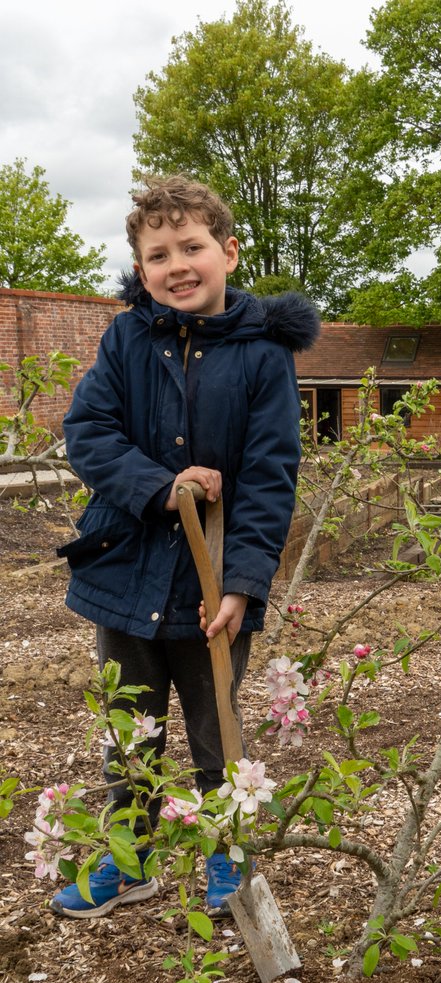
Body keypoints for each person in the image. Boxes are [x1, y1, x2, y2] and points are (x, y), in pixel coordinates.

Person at [51, 176, 318, 919]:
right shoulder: (126, 338)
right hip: (126, 570)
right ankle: (128, 861)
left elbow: (270, 475)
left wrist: (242, 584)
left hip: (214, 585)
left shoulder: (264, 356)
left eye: (192, 246)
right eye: (158, 253)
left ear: (228, 253)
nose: (177, 265)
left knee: (216, 731)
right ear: (142, 271)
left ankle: (228, 857)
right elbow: (89, 433)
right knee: (129, 730)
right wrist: (161, 485)